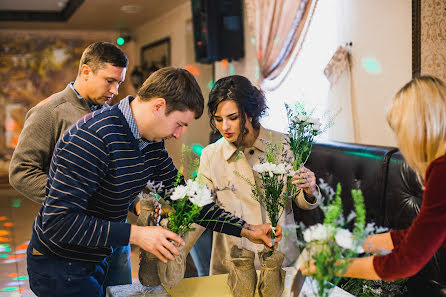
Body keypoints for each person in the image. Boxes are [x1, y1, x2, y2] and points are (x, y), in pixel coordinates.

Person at [26, 67, 281, 297]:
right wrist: (137, 234)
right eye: (179, 124)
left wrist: (246, 229)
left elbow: (186, 198)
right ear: (158, 106)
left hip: (95, 254)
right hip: (61, 264)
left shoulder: (149, 142)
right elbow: (58, 222)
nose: (178, 134)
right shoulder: (93, 138)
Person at [9, 41, 134, 287]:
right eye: (110, 81)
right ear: (86, 72)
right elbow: (21, 172)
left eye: (119, 83)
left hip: (115, 238)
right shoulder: (48, 112)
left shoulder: (112, 115)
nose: (115, 90)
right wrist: (72, 198)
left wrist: (136, 201)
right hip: (74, 240)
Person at [300, 76, 446, 285]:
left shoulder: (442, 171)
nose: (400, 142)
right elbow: (414, 237)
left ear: (420, 127)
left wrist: (332, 266)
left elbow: (406, 261)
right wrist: (353, 241)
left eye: (400, 131)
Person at [196, 75, 320, 275]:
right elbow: (201, 209)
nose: (224, 127)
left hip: (280, 259)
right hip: (233, 265)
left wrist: (310, 190)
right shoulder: (211, 155)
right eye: (218, 119)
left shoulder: (283, 144)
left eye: (232, 118)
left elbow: (301, 200)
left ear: (250, 113)